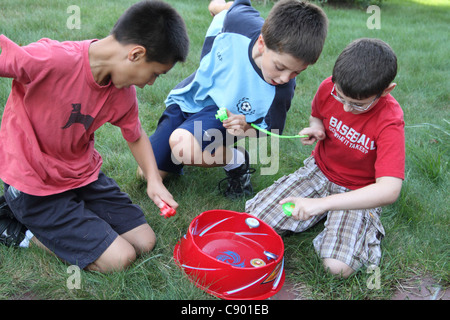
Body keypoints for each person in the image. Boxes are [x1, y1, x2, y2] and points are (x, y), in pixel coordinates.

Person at [0, 0, 189, 273]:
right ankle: (18, 230)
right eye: (155, 74)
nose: (150, 83)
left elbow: (134, 136)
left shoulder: (122, 93)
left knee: (144, 241)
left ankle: (65, 216)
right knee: (119, 259)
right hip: (34, 185)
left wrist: (154, 179)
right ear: (135, 54)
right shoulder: (52, 59)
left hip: (80, 176)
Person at [246, 38, 404, 278]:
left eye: (358, 105)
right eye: (341, 98)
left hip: (358, 192)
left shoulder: (390, 121)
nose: (347, 109)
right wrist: (316, 127)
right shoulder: (328, 88)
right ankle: (326, 216)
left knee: (338, 268)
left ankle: (341, 219)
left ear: (386, 90)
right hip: (318, 172)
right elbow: (317, 114)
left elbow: (389, 190)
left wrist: (322, 204)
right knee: (254, 219)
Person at [140, 0, 328, 198]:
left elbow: (270, 133)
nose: (284, 78)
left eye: (296, 72)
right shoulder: (240, 22)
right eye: (280, 67)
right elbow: (237, 6)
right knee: (146, 173)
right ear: (262, 44)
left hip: (222, 114)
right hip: (191, 98)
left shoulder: (281, 91)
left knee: (182, 146)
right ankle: (195, 146)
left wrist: (246, 127)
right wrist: (217, 8)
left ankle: (236, 160)